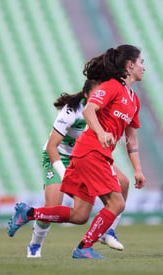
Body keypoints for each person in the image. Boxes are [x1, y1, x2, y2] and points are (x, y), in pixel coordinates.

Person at [8, 44, 146, 259]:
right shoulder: (111, 87)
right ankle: (85, 247)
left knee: (80, 214)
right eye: (141, 62)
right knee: (116, 203)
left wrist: (138, 169)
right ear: (130, 65)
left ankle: (28, 213)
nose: (143, 67)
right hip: (91, 151)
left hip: (90, 153)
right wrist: (101, 133)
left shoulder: (134, 100)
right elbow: (90, 110)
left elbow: (131, 138)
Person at [27, 79, 128, 258]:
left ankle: (107, 231)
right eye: (97, 95)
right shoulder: (72, 110)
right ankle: (35, 244)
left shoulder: (104, 110)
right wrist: (66, 176)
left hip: (87, 156)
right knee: (53, 204)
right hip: (60, 157)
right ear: (87, 95)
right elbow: (52, 147)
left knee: (123, 182)